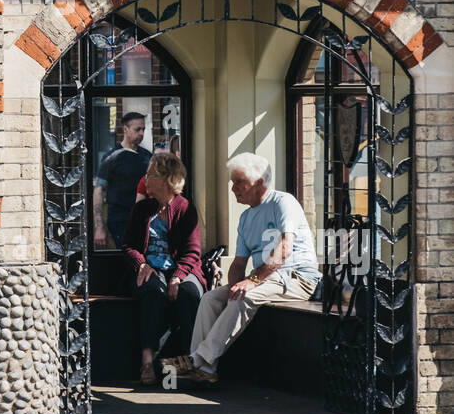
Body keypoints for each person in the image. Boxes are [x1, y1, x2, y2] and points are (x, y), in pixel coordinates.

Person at [162, 152, 321, 385]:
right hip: (266, 280)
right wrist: (236, 283)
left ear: (258, 183)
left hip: (296, 277)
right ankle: (205, 370)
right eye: (232, 182)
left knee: (244, 295)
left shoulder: (282, 202)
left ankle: (197, 360)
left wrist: (250, 282)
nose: (233, 188)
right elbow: (238, 264)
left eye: (239, 182)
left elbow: (284, 249)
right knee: (210, 298)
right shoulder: (246, 217)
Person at [123, 151, 205, 385]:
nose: (145, 179)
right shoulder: (142, 209)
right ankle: (147, 361)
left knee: (189, 293)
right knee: (153, 292)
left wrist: (178, 277)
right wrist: (141, 264)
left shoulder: (185, 208)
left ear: (165, 179)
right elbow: (128, 245)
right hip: (150, 268)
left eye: (149, 174)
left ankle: (191, 363)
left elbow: (192, 252)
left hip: (182, 269)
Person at [93, 112, 150, 251]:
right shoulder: (112, 157)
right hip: (120, 220)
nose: (141, 133)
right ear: (125, 129)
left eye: (143, 129)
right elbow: (99, 191)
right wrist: (99, 227)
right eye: (137, 129)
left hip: (144, 220)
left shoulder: (147, 156)